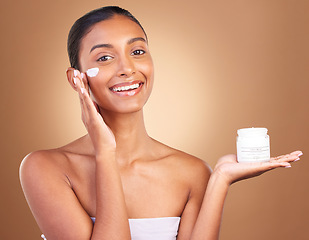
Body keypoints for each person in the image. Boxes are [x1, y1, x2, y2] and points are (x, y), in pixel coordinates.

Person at [19, 6, 302, 240]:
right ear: (76, 78)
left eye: (138, 51)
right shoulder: (45, 168)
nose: (127, 68)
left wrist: (220, 180)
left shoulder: (192, 173)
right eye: (104, 57)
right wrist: (105, 152)